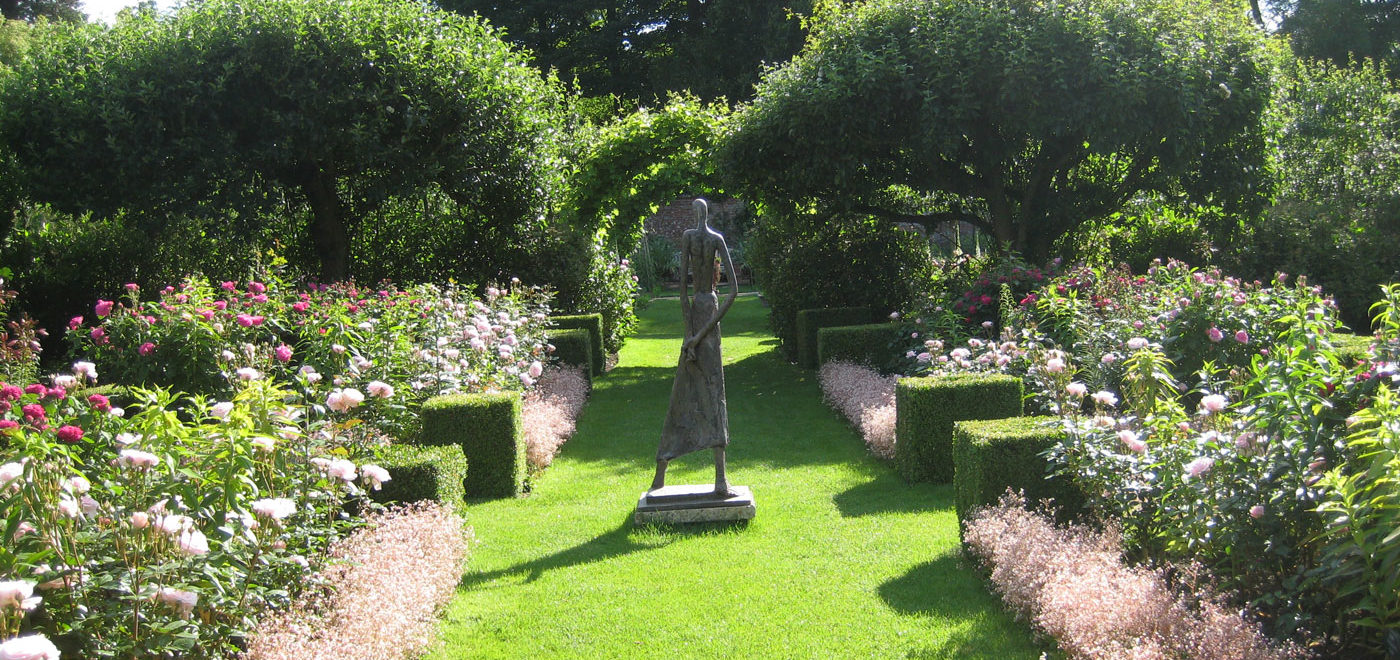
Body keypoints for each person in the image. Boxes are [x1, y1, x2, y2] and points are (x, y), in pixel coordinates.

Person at [651, 198, 739, 497]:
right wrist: (692, 337)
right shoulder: (711, 238)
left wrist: (694, 336)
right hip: (706, 312)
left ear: (695, 213)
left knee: (712, 391)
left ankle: (719, 479)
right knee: (699, 389)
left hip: (704, 319)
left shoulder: (697, 237)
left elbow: (687, 292)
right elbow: (727, 290)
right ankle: (667, 469)